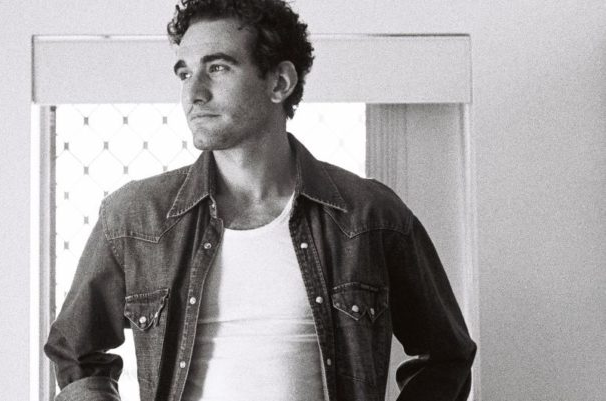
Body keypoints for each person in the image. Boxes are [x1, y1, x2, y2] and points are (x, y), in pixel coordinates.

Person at [44, 0, 477, 400]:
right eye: (184, 73)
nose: (194, 93)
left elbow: (446, 357)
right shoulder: (135, 218)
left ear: (279, 82)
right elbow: (75, 352)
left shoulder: (370, 216)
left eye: (217, 68)